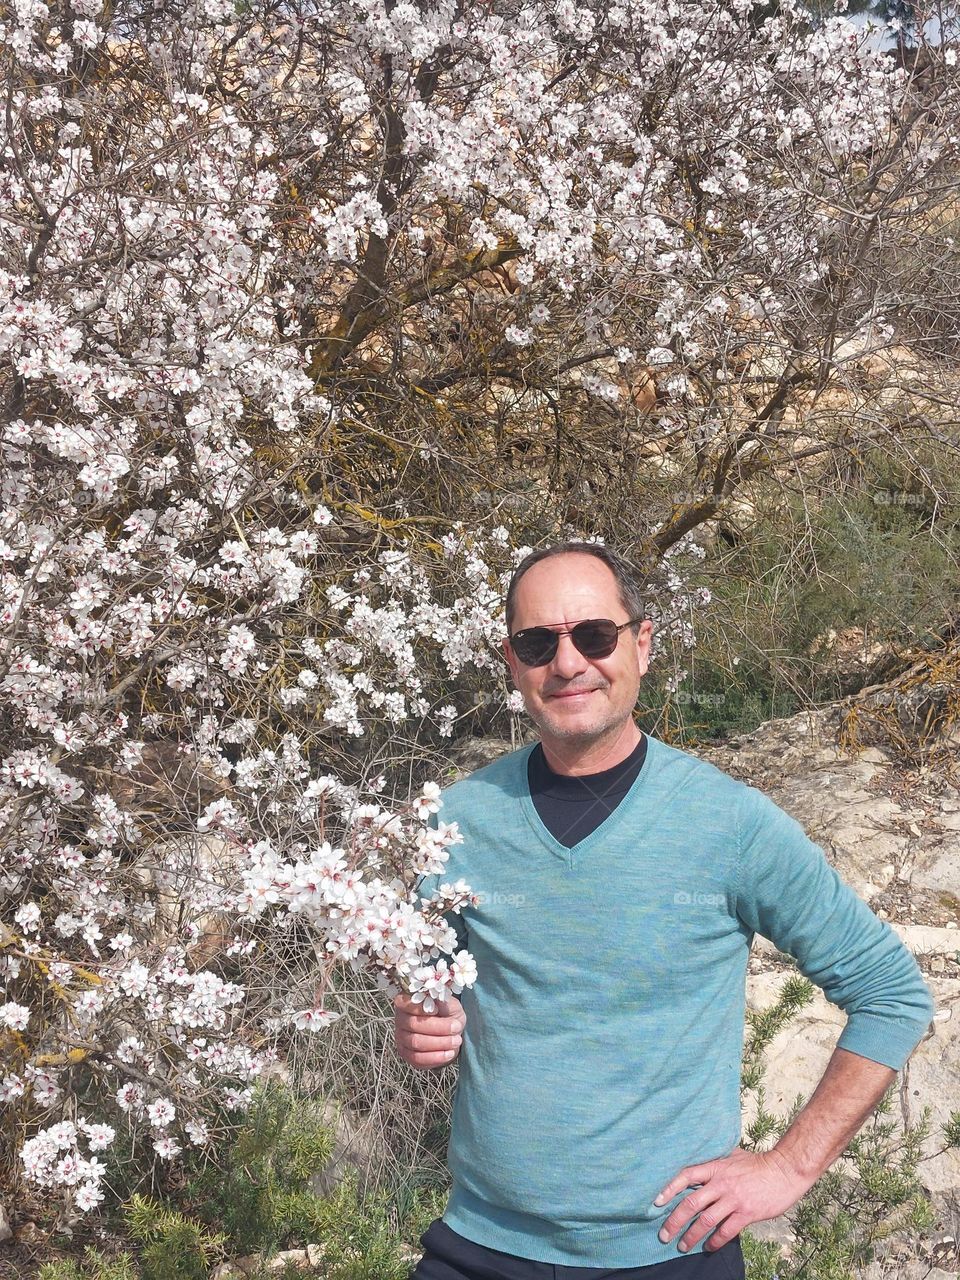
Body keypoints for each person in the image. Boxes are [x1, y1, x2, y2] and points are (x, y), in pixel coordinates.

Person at [394, 541, 936, 1280]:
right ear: (511, 663)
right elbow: (433, 998)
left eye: (594, 635)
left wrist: (788, 1167)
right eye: (537, 642)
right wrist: (420, 1024)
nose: (569, 663)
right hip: (479, 1245)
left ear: (641, 645)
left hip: (668, 1254)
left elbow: (892, 995)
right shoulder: (454, 823)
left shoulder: (731, 825)